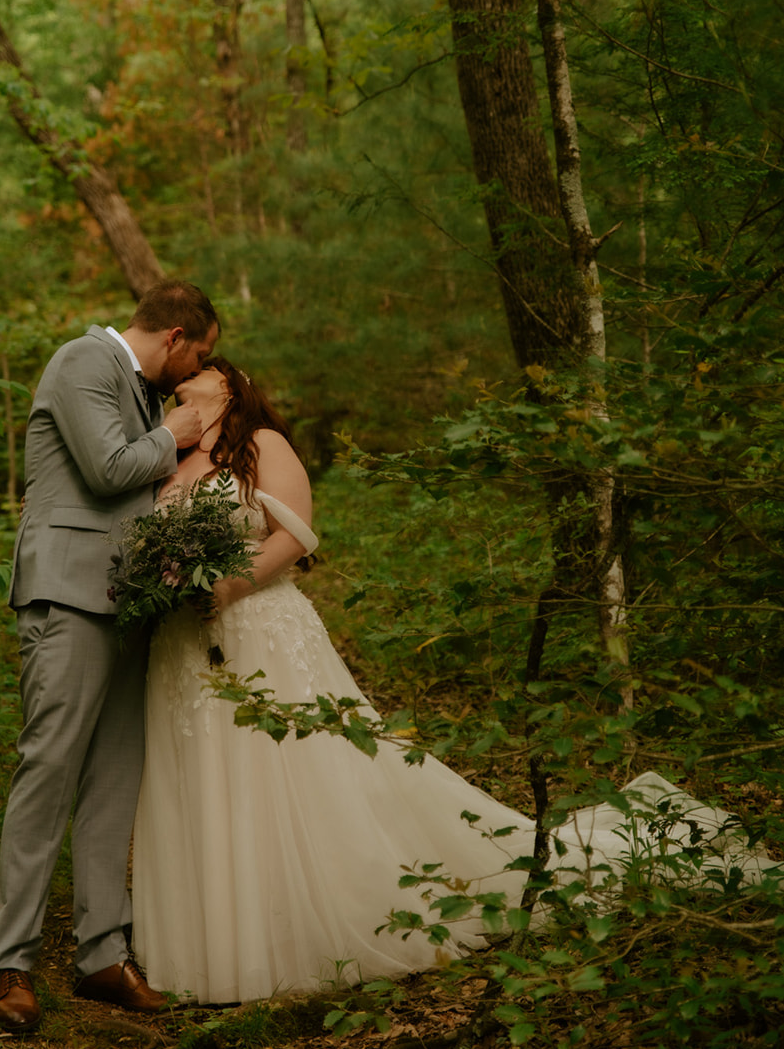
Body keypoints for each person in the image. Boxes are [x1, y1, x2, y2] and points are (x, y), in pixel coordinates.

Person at [132, 360, 776, 1005]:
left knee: (295, 768)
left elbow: (296, 533)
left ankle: (310, 923)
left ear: (228, 386)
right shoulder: (166, 453)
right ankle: (220, 943)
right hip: (182, 647)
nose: (181, 384)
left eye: (196, 376)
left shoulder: (261, 445)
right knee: (206, 776)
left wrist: (229, 585)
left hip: (261, 629)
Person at [0, 281, 220, 1032]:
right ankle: (13, 964)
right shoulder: (82, 360)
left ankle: (100, 956)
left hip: (131, 607)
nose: (193, 375)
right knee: (48, 771)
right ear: (177, 335)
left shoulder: (146, 394)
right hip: (67, 597)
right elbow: (108, 470)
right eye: (199, 355)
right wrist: (181, 431)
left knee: (115, 781)